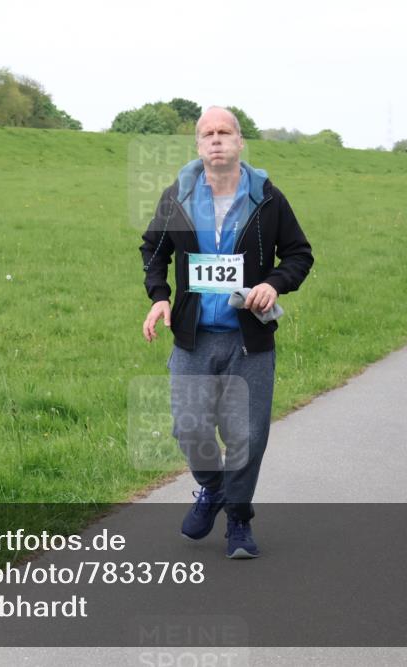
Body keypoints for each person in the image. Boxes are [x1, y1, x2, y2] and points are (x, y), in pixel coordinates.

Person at [140, 106, 314, 558]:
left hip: (248, 339)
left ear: (239, 142)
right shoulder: (177, 196)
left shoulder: (268, 198)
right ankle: (214, 488)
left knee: (247, 436)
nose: (216, 140)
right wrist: (160, 296)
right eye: (207, 134)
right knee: (189, 428)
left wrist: (273, 284)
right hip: (193, 336)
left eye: (224, 132)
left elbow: (299, 254)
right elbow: (153, 250)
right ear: (198, 146)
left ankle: (238, 518)